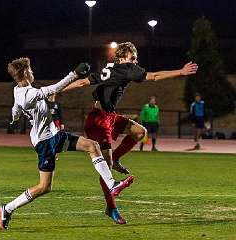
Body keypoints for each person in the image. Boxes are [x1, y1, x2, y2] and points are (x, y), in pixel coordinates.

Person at [62, 42, 198, 222]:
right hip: (99, 122)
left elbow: (82, 82)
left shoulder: (109, 69)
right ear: (122, 58)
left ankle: (116, 158)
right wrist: (180, 72)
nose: (135, 61)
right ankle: (111, 208)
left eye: (135, 58)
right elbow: (154, 76)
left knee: (139, 132)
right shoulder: (126, 68)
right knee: (106, 170)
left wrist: (56, 90)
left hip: (108, 117)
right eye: (132, 58)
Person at [0, 57, 134, 230]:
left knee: (93, 146)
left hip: (54, 135)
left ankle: (112, 185)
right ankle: (7, 208)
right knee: (44, 187)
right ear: (25, 73)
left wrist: (14, 117)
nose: (32, 73)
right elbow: (54, 89)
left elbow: (15, 111)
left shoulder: (18, 91)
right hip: (45, 143)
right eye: (30, 71)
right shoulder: (28, 94)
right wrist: (74, 74)